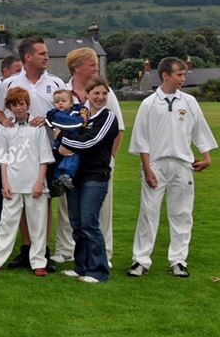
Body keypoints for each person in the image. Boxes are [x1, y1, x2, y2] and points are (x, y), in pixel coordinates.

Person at [128, 57, 217, 278]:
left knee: (182, 214)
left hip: (182, 165)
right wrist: (147, 169)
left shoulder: (189, 101)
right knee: (148, 213)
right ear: (165, 75)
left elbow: (200, 130)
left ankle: (178, 261)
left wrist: (206, 157)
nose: (184, 79)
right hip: (155, 165)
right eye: (180, 74)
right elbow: (142, 140)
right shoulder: (148, 104)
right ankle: (140, 261)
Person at [51, 47, 125, 266]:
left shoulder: (104, 93)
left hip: (97, 164)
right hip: (70, 162)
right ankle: (66, 251)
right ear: (77, 67)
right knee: (68, 207)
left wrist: (110, 158)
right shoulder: (62, 91)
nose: (96, 67)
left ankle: (105, 253)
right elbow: (56, 124)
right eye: (92, 64)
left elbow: (118, 128)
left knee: (100, 208)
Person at [0, 87, 54, 276]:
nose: (18, 108)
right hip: (13, 184)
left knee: (38, 224)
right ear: (9, 108)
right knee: (6, 223)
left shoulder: (37, 127)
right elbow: (3, 159)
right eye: (14, 105)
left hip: (34, 184)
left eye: (21, 104)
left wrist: (40, 182)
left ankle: (39, 262)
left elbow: (44, 158)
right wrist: (4, 183)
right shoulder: (7, 129)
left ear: (27, 104)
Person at [57, 77, 119, 283]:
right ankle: (81, 266)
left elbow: (89, 142)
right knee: (76, 223)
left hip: (95, 176)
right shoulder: (81, 116)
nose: (100, 97)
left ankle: (98, 271)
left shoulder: (108, 117)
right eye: (96, 93)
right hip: (76, 177)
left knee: (89, 223)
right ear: (87, 95)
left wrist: (62, 140)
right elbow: (65, 128)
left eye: (103, 93)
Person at [45, 89, 84, 193]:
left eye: (63, 101)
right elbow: (70, 125)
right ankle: (64, 176)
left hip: (71, 143)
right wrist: (81, 120)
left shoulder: (76, 110)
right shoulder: (57, 114)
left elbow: (82, 109)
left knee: (71, 158)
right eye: (57, 102)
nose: (60, 103)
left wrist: (83, 110)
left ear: (71, 102)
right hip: (61, 144)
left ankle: (61, 178)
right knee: (71, 157)